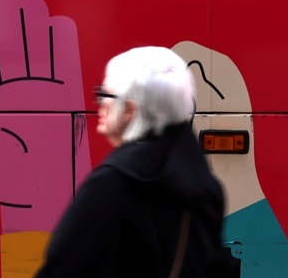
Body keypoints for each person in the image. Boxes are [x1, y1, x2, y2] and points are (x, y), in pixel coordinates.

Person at [36, 46, 230, 277]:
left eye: (105, 95)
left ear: (129, 109)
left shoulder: (110, 185)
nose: (99, 104)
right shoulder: (206, 188)